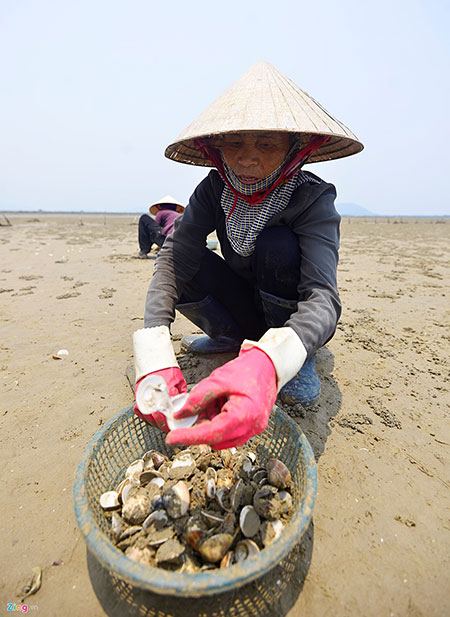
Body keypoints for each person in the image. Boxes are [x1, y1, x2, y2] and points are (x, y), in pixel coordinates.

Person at [132, 61, 363, 449]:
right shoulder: (214, 188)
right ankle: (231, 337)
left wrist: (274, 361)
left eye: (266, 144)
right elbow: (175, 256)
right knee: (183, 261)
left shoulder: (312, 198)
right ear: (216, 148)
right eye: (235, 143)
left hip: (291, 319)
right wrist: (153, 345)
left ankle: (290, 357)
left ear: (295, 148)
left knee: (277, 244)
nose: (246, 159)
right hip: (246, 302)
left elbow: (323, 298)